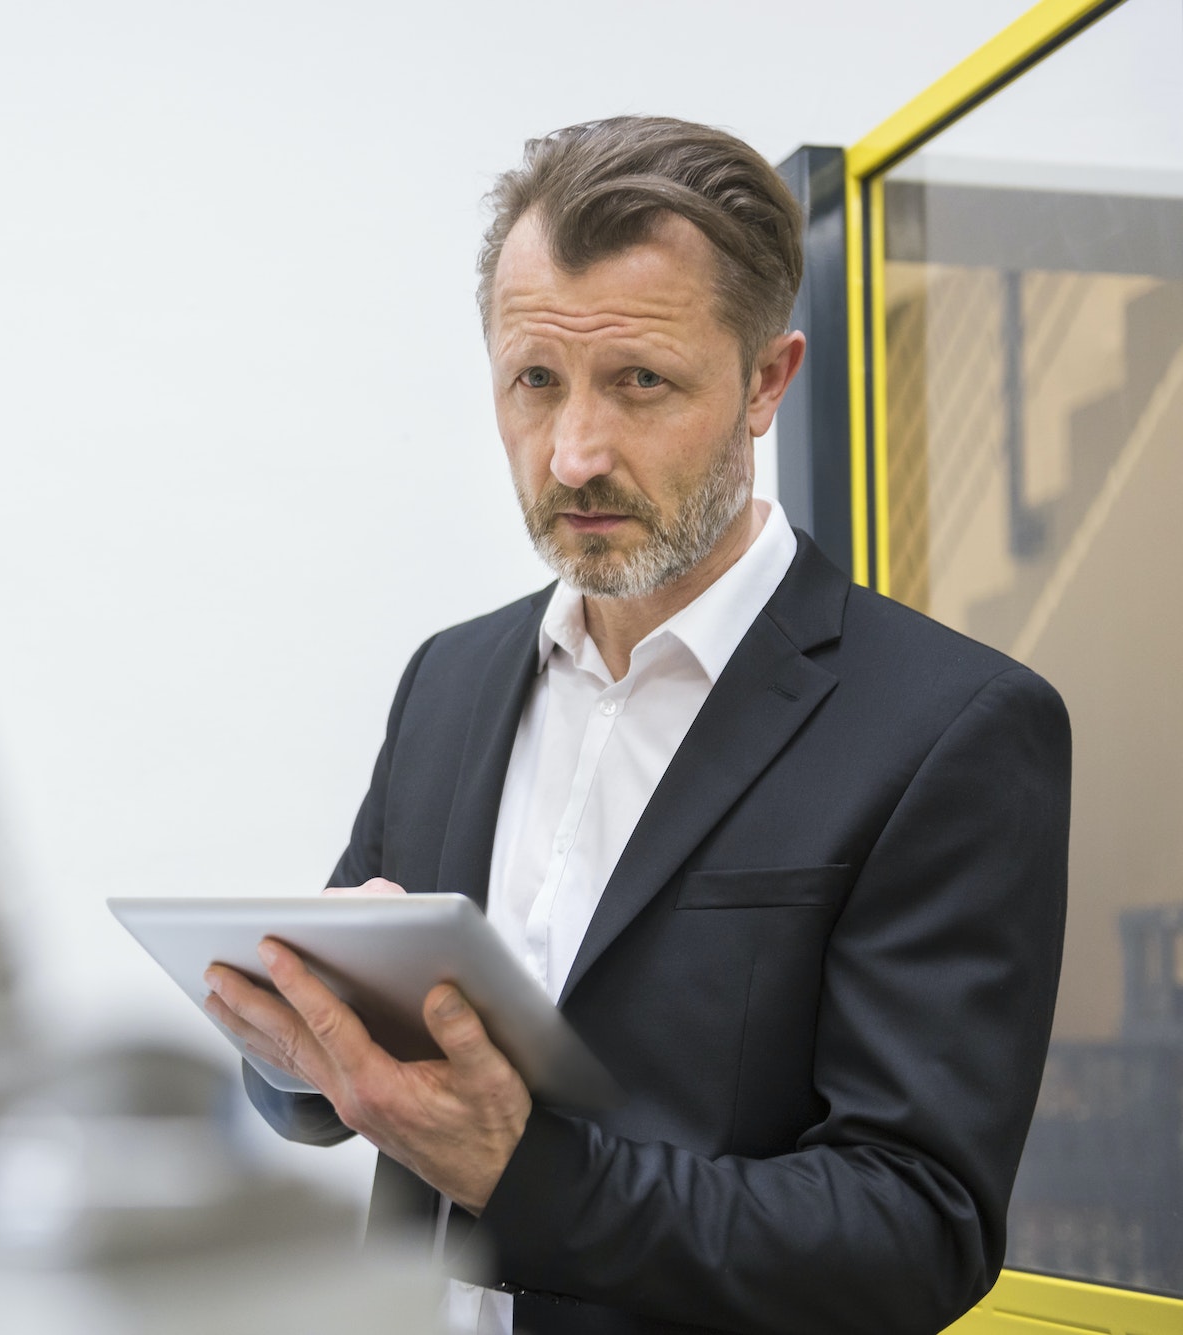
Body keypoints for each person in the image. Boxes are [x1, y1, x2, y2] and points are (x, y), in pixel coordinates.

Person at [206, 117, 1070, 1335]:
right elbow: (353, 1069)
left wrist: (522, 1178)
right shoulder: (447, 682)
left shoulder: (950, 728)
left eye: (640, 384)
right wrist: (296, 1056)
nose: (571, 455)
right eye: (533, 381)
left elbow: (913, 1233)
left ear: (766, 380)